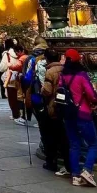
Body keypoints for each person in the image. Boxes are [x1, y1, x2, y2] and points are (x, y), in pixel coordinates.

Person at [60, 48, 97, 188]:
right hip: (82, 113)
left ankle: (75, 175)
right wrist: (95, 102)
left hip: (68, 114)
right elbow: (91, 94)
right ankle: (87, 170)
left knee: (74, 145)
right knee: (93, 144)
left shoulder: (62, 76)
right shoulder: (82, 75)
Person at [39, 48, 70, 177]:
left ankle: (51, 161)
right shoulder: (65, 69)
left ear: (47, 58)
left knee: (51, 136)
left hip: (53, 106)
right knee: (64, 137)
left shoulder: (50, 71)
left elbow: (47, 91)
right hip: (65, 107)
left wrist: (41, 90)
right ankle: (68, 162)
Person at [0, 39, 24, 121]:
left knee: (12, 97)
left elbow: (2, 68)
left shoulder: (7, 55)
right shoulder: (22, 54)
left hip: (11, 77)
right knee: (20, 96)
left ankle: (16, 115)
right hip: (20, 77)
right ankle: (23, 114)